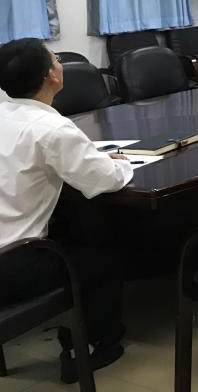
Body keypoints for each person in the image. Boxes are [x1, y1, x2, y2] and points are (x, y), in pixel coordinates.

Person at [0, 39, 133, 381]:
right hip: (12, 265)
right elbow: (104, 180)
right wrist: (120, 163)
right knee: (100, 255)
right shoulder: (51, 128)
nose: (59, 63)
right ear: (51, 75)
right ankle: (89, 347)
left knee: (71, 227)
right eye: (56, 58)